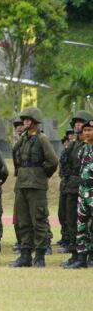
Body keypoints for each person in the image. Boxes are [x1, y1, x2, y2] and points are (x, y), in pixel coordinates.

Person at [11, 107, 58, 268]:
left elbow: (52, 161)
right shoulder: (22, 139)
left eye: (28, 119)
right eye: (23, 119)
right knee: (22, 220)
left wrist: (40, 174)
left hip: (36, 185)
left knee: (38, 220)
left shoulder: (41, 139)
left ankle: (39, 255)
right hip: (22, 184)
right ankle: (25, 254)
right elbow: (17, 158)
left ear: (35, 121)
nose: (24, 122)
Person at [59, 111, 93, 267]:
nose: (85, 132)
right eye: (84, 130)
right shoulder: (80, 149)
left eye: (88, 129)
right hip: (80, 190)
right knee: (79, 225)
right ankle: (79, 257)